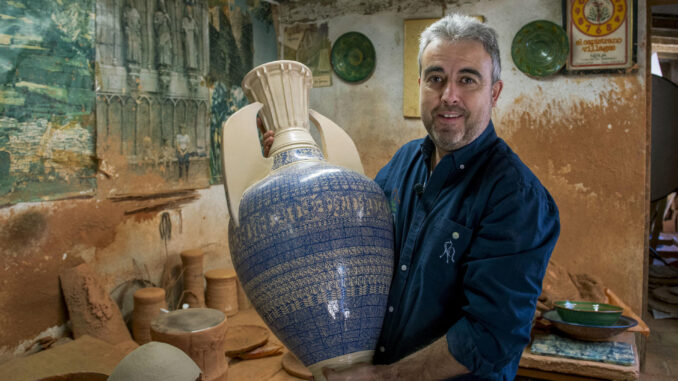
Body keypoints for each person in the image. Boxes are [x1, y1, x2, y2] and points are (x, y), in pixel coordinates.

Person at [261, 13, 559, 380]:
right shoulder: (404, 162)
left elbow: (491, 336)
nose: (449, 96)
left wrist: (385, 378)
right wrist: (291, 158)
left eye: (467, 79)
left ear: (494, 92)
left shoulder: (516, 196)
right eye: (436, 78)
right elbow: (350, 236)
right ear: (419, 84)